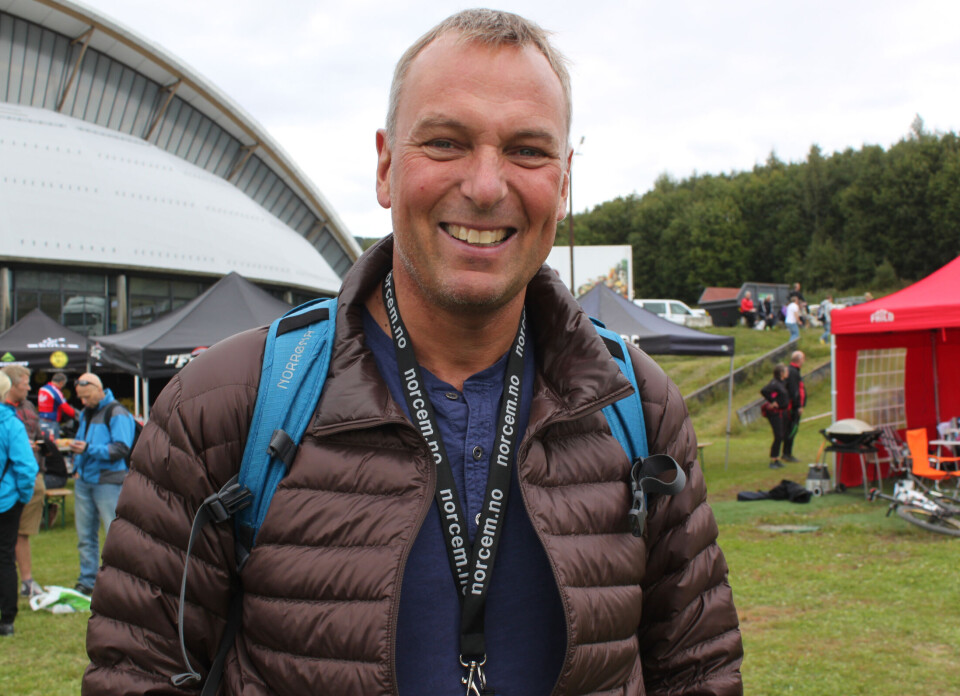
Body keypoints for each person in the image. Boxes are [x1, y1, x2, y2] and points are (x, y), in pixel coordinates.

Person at [82, 10, 743, 695]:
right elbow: (138, 675)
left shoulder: (635, 403)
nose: (487, 186)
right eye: (446, 143)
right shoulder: (230, 403)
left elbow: (699, 671)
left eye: (527, 150)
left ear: (564, 178)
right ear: (386, 166)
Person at [69, 373, 135, 596]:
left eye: (87, 397)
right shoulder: (86, 413)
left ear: (99, 389)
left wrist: (87, 449)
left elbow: (121, 449)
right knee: (85, 536)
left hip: (108, 483)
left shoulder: (117, 413)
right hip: (85, 481)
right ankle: (87, 581)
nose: (84, 402)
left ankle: (120, 580)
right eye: (81, 398)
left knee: (114, 534)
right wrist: (77, 468)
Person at [0, 372, 39, 637]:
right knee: (5, 557)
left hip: (7, 497)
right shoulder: (10, 423)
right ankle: (7, 620)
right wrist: (23, 495)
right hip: (7, 500)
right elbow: (27, 467)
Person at [760, 365, 790, 469]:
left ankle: (777, 458)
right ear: (781, 373)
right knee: (778, 435)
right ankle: (773, 459)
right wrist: (772, 401)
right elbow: (764, 391)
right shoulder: (775, 383)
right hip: (775, 413)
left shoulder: (783, 383)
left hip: (783, 412)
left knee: (782, 434)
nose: (788, 372)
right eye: (786, 371)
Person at [782, 351, 806, 464]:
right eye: (803, 359)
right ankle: (787, 453)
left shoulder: (793, 371)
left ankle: (787, 453)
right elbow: (794, 391)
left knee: (791, 429)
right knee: (792, 429)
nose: (804, 361)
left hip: (792, 406)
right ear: (799, 360)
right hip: (792, 407)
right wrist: (798, 406)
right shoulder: (793, 372)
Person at [37, 372, 77, 437]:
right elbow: (65, 407)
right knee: (54, 445)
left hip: (41, 421)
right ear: (61, 383)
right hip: (51, 422)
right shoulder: (55, 391)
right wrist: (75, 414)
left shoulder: (42, 389)